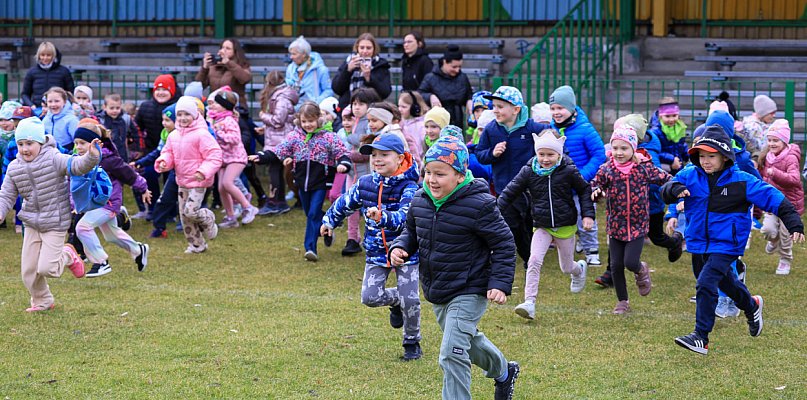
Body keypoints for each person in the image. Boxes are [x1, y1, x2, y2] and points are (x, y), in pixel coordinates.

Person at [389, 135, 519, 400]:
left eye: (440, 174)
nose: (432, 179)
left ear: (460, 176)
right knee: (466, 342)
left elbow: (504, 243)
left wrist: (499, 283)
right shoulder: (419, 200)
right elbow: (411, 233)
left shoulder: (480, 204)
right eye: (428, 172)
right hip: (438, 288)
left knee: (451, 353)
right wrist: (399, 247)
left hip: (470, 288)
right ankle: (504, 372)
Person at [661, 125, 804, 355]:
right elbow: (667, 189)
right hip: (699, 242)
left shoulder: (741, 180)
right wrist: (674, 189)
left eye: (711, 156)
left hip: (727, 244)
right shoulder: (689, 174)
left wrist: (793, 221)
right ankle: (752, 306)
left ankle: (701, 337)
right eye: (702, 156)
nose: (705, 161)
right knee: (725, 283)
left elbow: (773, 197)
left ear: (725, 156)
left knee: (706, 283)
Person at [321, 133, 422, 360]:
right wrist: (329, 221)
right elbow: (345, 203)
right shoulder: (365, 184)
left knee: (411, 299)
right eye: (374, 155)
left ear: (400, 158)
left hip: (406, 252)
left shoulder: (410, 187)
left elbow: (404, 218)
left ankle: (412, 342)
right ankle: (396, 300)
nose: (377, 159)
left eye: (384, 155)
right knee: (370, 297)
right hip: (377, 252)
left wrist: (382, 217)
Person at [0, 117, 101, 311]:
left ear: (40, 142)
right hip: (31, 222)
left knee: (48, 268)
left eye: (29, 143)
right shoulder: (14, 168)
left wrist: (91, 156)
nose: (24, 149)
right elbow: (6, 194)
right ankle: (43, 300)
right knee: (28, 272)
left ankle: (69, 254)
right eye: (20, 144)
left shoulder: (54, 157)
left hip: (55, 221)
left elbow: (76, 166)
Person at [497, 130, 594, 320]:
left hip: (565, 225)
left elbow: (584, 190)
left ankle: (579, 269)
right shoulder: (529, 170)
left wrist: (588, 215)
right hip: (542, 225)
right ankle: (529, 303)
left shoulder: (568, 169)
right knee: (534, 260)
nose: (545, 159)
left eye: (550, 154)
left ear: (559, 154)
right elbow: (510, 192)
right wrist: (495, 211)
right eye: (542, 154)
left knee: (566, 267)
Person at [250, 102, 351, 261]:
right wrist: (262, 157)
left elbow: (342, 152)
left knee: (312, 214)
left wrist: (344, 164)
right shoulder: (295, 136)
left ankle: (310, 248)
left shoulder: (328, 136)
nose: (308, 125)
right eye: (304, 121)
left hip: (321, 181)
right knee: (311, 213)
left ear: (318, 118)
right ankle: (329, 223)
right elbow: (279, 151)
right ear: (299, 121)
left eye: (311, 121)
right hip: (301, 181)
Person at [591, 125, 671, 314]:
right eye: (615, 148)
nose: (619, 153)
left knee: (630, 262)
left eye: (624, 148)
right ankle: (622, 301)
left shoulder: (643, 168)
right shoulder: (607, 169)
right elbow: (595, 183)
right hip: (615, 225)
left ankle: (641, 269)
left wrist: (676, 189)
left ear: (633, 149)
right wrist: (596, 192)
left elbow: (665, 178)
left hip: (637, 224)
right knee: (616, 265)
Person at [476, 86, 551, 268]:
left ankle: (534, 255)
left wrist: (548, 157)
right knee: (512, 225)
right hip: (505, 187)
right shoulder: (491, 130)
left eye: (500, 106)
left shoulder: (532, 127)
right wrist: (492, 153)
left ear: (516, 109)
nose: (495, 110)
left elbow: (551, 143)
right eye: (494, 106)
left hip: (531, 188)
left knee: (530, 223)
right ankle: (527, 258)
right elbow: (480, 154)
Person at [73, 122, 151, 277]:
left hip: (108, 204)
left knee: (83, 227)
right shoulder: (78, 160)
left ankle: (101, 262)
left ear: (96, 143)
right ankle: (138, 250)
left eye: (82, 143)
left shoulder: (108, 160)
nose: (79, 147)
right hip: (92, 205)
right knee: (111, 235)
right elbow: (74, 185)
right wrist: (74, 204)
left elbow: (129, 174)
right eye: (76, 143)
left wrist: (143, 188)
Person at [155, 96, 223, 254]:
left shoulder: (202, 134)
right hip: (182, 181)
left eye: (187, 114)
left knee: (191, 211)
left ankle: (207, 217)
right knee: (184, 216)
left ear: (194, 115)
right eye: (179, 114)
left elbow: (214, 155)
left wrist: (203, 171)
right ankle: (197, 245)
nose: (183, 118)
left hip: (199, 181)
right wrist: (164, 162)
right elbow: (168, 153)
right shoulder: (173, 136)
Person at [548, 85, 606, 266]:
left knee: (585, 217)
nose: (556, 112)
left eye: (560, 108)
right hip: (562, 184)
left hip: (583, 184)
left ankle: (592, 251)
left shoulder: (585, 129)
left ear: (571, 108)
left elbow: (599, 154)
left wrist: (583, 175)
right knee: (567, 217)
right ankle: (577, 241)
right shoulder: (551, 128)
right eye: (553, 108)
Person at [208, 90, 260, 228]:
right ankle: (231, 217)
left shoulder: (229, 120)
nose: (212, 105)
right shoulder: (216, 119)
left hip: (236, 157)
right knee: (221, 188)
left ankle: (247, 207)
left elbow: (235, 139)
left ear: (225, 106)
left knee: (227, 183)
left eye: (216, 103)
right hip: (223, 158)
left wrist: (219, 133)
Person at [758, 119, 803, 275]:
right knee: (767, 230)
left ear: (784, 141)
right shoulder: (767, 157)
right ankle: (772, 240)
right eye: (769, 140)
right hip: (772, 203)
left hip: (789, 203)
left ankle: (785, 260)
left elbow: (794, 180)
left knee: (786, 235)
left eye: (775, 140)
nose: (772, 143)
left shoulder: (790, 157)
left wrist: (775, 173)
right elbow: (764, 179)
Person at [342, 87, 382, 256]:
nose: (356, 107)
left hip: (366, 174)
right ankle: (352, 238)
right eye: (354, 104)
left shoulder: (370, 124)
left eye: (361, 104)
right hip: (352, 173)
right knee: (350, 206)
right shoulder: (354, 121)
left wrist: (349, 152)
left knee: (369, 208)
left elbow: (366, 150)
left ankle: (372, 239)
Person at [134, 74, 181, 219]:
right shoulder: (146, 106)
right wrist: (138, 147)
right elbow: (137, 128)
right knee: (149, 175)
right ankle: (152, 208)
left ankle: (170, 212)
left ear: (172, 91)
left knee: (171, 182)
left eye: (165, 89)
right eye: (158, 89)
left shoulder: (178, 107)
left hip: (175, 153)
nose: (161, 92)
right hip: (152, 151)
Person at [258, 70, 299, 215]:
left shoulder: (281, 97)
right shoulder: (281, 95)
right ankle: (279, 201)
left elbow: (278, 120)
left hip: (280, 141)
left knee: (274, 170)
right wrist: (265, 128)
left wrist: (263, 116)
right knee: (275, 169)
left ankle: (275, 201)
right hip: (276, 138)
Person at [137, 104, 180, 238]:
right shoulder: (165, 133)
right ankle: (160, 228)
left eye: (168, 120)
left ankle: (186, 223)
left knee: (185, 201)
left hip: (187, 173)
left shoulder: (183, 135)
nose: (164, 123)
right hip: (173, 172)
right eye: (163, 120)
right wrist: (141, 162)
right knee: (164, 199)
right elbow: (160, 152)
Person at [417, 45, 473, 129]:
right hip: (437, 123)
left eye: (459, 67)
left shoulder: (462, 77)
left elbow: (468, 94)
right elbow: (420, 94)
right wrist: (430, 96)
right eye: (454, 67)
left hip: (457, 121)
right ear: (445, 62)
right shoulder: (430, 78)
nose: (457, 70)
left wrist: (469, 100)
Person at [332, 33, 391, 110]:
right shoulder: (349, 62)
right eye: (362, 48)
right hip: (348, 108)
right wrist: (348, 71)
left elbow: (385, 92)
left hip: (371, 109)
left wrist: (369, 78)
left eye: (368, 48)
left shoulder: (380, 65)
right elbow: (337, 89)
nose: (365, 51)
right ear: (357, 48)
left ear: (374, 49)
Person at [196, 38, 252, 106]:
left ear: (235, 51)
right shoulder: (214, 66)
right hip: (215, 107)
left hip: (235, 107)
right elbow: (199, 86)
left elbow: (245, 79)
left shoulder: (242, 65)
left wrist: (228, 63)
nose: (223, 50)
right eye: (222, 47)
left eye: (228, 48)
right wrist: (204, 68)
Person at [21, 42, 75, 111]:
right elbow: (25, 94)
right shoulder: (31, 72)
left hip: (59, 109)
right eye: (42, 55)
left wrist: (64, 105)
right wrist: (32, 106)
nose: (45, 58)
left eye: (48, 55)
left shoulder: (64, 71)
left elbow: (70, 92)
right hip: (37, 109)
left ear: (53, 56)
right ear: (38, 56)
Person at [285, 36, 334, 108]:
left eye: (294, 54)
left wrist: (315, 102)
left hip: (313, 111)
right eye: (291, 54)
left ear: (304, 54)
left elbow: (329, 90)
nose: (291, 57)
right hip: (294, 111)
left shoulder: (320, 69)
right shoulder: (290, 68)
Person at [648, 97, 688, 174]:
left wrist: (687, 154)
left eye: (674, 115)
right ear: (660, 116)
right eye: (667, 116)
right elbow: (653, 152)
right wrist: (672, 159)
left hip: (678, 165)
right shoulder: (655, 132)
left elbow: (682, 144)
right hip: (663, 167)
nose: (671, 119)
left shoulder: (680, 128)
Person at [97, 93, 140, 163]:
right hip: (105, 153)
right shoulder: (100, 120)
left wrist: (136, 149)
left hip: (122, 153)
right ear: (104, 107)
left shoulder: (126, 118)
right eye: (111, 108)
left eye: (117, 108)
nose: (114, 111)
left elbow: (135, 133)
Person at [738, 94, 777, 161]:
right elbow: (760, 148)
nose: (774, 115)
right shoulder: (754, 128)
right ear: (763, 113)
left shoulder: (763, 125)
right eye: (771, 113)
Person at [397, 91, 429, 162]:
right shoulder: (400, 124)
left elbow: (420, 150)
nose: (399, 109)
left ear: (415, 108)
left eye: (404, 107)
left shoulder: (421, 126)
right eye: (399, 106)